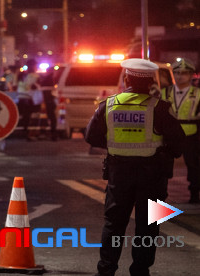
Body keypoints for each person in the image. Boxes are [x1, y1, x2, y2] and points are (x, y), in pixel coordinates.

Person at [85, 58, 184, 276]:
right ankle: (140, 271)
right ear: (151, 83)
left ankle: (106, 270)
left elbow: (91, 136)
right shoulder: (160, 108)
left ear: (127, 80)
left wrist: (115, 145)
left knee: (113, 223)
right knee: (148, 225)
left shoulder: (108, 105)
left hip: (118, 173)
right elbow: (179, 144)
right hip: (152, 175)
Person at [161, 58, 200, 203]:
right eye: (177, 73)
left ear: (190, 75)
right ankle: (161, 194)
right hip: (169, 135)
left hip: (191, 134)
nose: (179, 76)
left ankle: (194, 195)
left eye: (184, 73)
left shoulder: (198, 93)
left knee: (194, 166)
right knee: (163, 166)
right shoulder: (164, 92)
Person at [16, 59, 40, 140]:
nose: (35, 67)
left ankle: (27, 132)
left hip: (24, 98)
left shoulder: (22, 75)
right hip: (28, 98)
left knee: (26, 116)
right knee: (28, 116)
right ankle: (28, 133)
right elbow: (31, 86)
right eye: (35, 66)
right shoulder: (33, 76)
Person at [39, 66, 58, 141]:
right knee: (51, 117)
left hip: (47, 101)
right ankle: (52, 134)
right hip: (49, 101)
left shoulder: (46, 78)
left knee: (49, 117)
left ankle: (48, 133)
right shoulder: (50, 78)